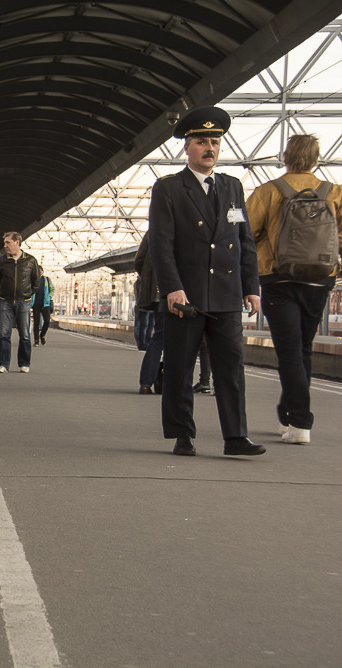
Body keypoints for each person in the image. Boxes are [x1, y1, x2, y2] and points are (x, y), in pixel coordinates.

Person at [148, 105, 265, 457]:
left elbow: (244, 240)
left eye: (214, 141)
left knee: (231, 369)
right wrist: (172, 287)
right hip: (187, 295)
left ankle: (235, 437)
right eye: (201, 141)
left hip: (227, 295)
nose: (209, 147)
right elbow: (160, 243)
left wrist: (251, 287)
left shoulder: (232, 187)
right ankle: (183, 434)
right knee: (181, 368)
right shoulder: (168, 189)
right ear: (187, 147)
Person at [246, 133, 342, 445]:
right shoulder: (334, 193)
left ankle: (300, 422)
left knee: (289, 350)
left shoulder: (269, 192)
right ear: (316, 159)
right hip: (319, 279)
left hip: (279, 279)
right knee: (302, 348)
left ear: (286, 157)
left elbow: (245, 232)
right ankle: (287, 413)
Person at [0, 231, 40, 373]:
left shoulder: (30, 261)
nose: (5, 245)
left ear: (17, 243)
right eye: (5, 243)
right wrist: (1, 293)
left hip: (23, 301)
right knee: (4, 334)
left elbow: (36, 281)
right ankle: (3, 364)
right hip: (5, 301)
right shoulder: (1, 261)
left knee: (24, 334)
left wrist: (29, 293)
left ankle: (24, 363)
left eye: (8, 242)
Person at [135, 235, 164, 395]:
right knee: (179, 340)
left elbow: (139, 261)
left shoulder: (154, 231)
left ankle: (146, 383)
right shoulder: (188, 224)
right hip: (183, 293)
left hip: (157, 294)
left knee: (158, 338)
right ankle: (170, 382)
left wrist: (149, 277)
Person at [32, 265, 53, 346]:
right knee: (36, 322)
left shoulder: (47, 280)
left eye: (40, 270)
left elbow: (52, 289)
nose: (39, 272)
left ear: (42, 271)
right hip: (35, 303)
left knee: (47, 321)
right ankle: (36, 340)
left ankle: (42, 335)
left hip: (46, 303)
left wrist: (49, 296)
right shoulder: (32, 280)